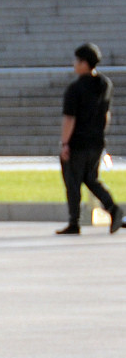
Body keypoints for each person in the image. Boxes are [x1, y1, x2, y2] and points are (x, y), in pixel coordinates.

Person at [56, 42, 124, 235]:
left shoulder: (75, 89)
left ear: (84, 63)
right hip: (95, 141)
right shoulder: (104, 84)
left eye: (77, 60)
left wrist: (65, 143)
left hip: (77, 142)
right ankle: (113, 209)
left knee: (73, 181)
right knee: (91, 179)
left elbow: (69, 118)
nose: (74, 64)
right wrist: (100, 134)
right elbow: (106, 114)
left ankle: (74, 222)